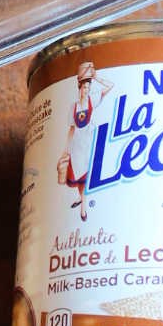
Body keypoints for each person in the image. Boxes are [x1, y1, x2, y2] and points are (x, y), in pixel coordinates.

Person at [58, 61, 115, 222]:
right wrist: (65, 150)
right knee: (77, 174)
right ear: (80, 88)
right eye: (84, 88)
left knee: (86, 174)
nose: (86, 91)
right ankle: (80, 197)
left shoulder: (93, 100)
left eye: (88, 88)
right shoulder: (73, 107)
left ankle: (83, 207)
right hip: (76, 144)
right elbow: (71, 129)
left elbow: (110, 86)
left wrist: (96, 77)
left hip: (88, 143)